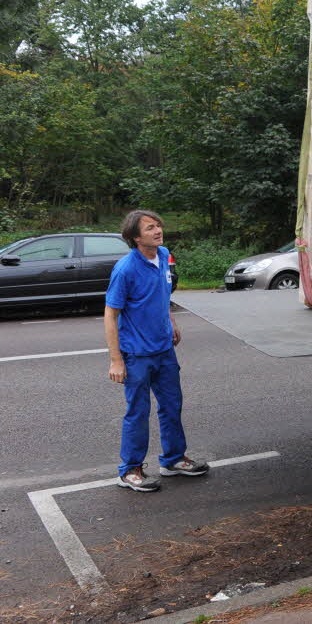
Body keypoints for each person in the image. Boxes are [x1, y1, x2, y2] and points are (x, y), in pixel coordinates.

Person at [105, 209, 209, 492]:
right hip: (137, 354)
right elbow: (110, 315)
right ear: (136, 237)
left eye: (158, 225)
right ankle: (130, 471)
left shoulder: (163, 255)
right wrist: (116, 360)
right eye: (150, 228)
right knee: (138, 412)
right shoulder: (126, 269)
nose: (157, 230)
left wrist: (170, 320)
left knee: (172, 405)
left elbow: (162, 294)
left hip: (164, 350)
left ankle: (173, 459)